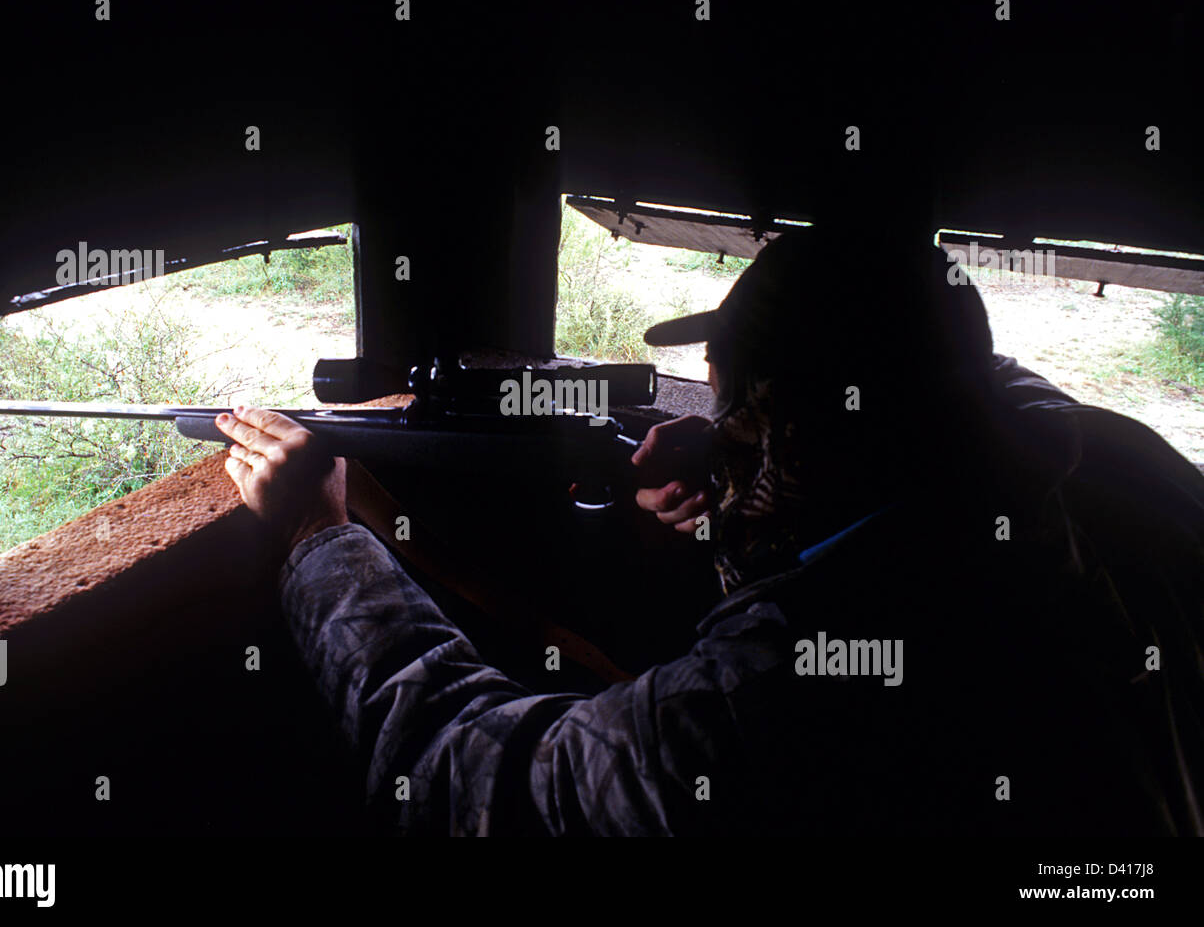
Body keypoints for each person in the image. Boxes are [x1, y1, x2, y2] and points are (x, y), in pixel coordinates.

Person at [215, 221, 1204, 835]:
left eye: (732, 414)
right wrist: (734, 521)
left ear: (788, 437)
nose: (711, 444)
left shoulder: (759, 705)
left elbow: (454, 771)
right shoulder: (1083, 488)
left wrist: (320, 537)